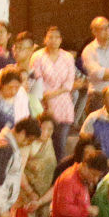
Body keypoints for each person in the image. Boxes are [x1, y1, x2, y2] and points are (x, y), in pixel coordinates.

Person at [27, 25, 77, 158]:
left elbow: (69, 83)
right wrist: (45, 96)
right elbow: (36, 79)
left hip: (63, 103)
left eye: (57, 37)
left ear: (61, 40)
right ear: (44, 39)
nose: (53, 40)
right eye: (50, 37)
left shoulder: (67, 57)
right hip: (42, 103)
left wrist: (52, 94)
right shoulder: (37, 56)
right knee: (42, 144)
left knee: (60, 145)